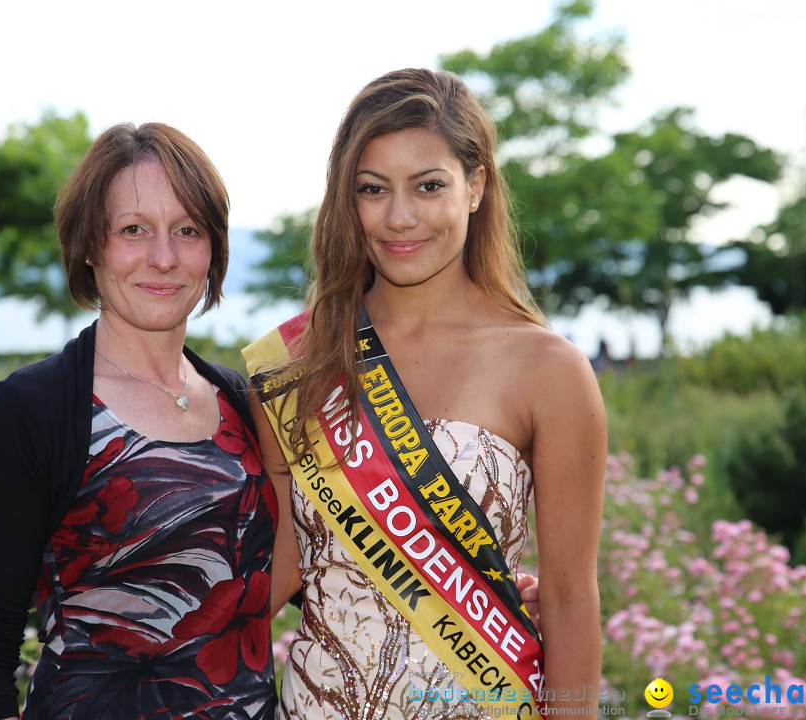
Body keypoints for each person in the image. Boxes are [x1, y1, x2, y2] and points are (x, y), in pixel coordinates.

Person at [243, 68, 606, 719]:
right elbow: (283, 566)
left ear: (476, 187)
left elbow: (571, 598)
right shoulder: (297, 362)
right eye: (372, 190)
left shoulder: (549, 370)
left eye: (429, 186)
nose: (400, 217)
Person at [0, 123, 278, 720]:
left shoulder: (243, 403)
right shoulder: (29, 412)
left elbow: (320, 567)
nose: (164, 257)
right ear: (90, 245)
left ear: (213, 249)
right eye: (133, 230)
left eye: (188, 231)